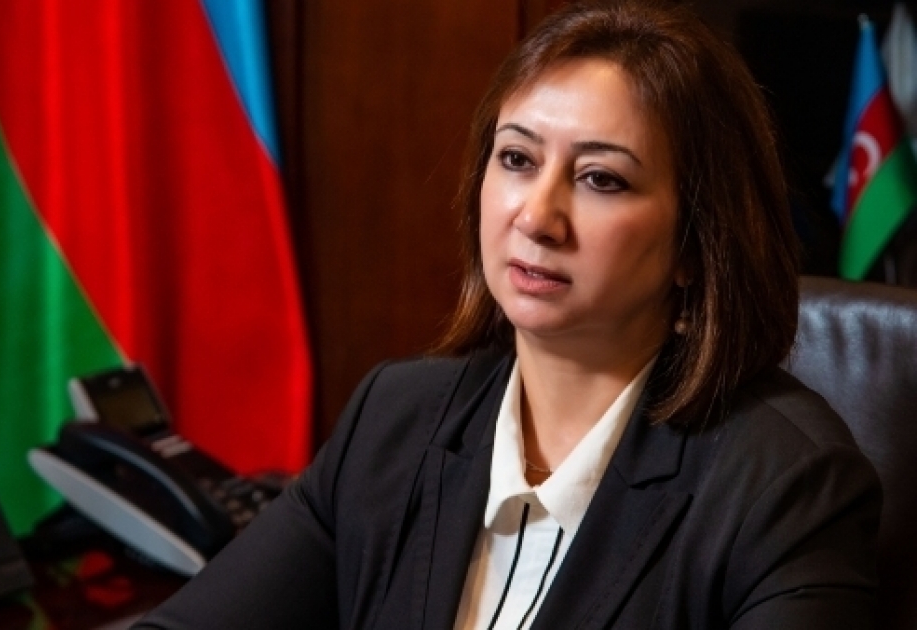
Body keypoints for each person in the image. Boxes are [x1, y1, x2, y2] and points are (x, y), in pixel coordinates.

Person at [135, 0, 881, 628]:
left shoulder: (786, 484)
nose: (536, 217)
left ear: (695, 241)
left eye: (601, 178)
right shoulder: (394, 420)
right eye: (518, 159)